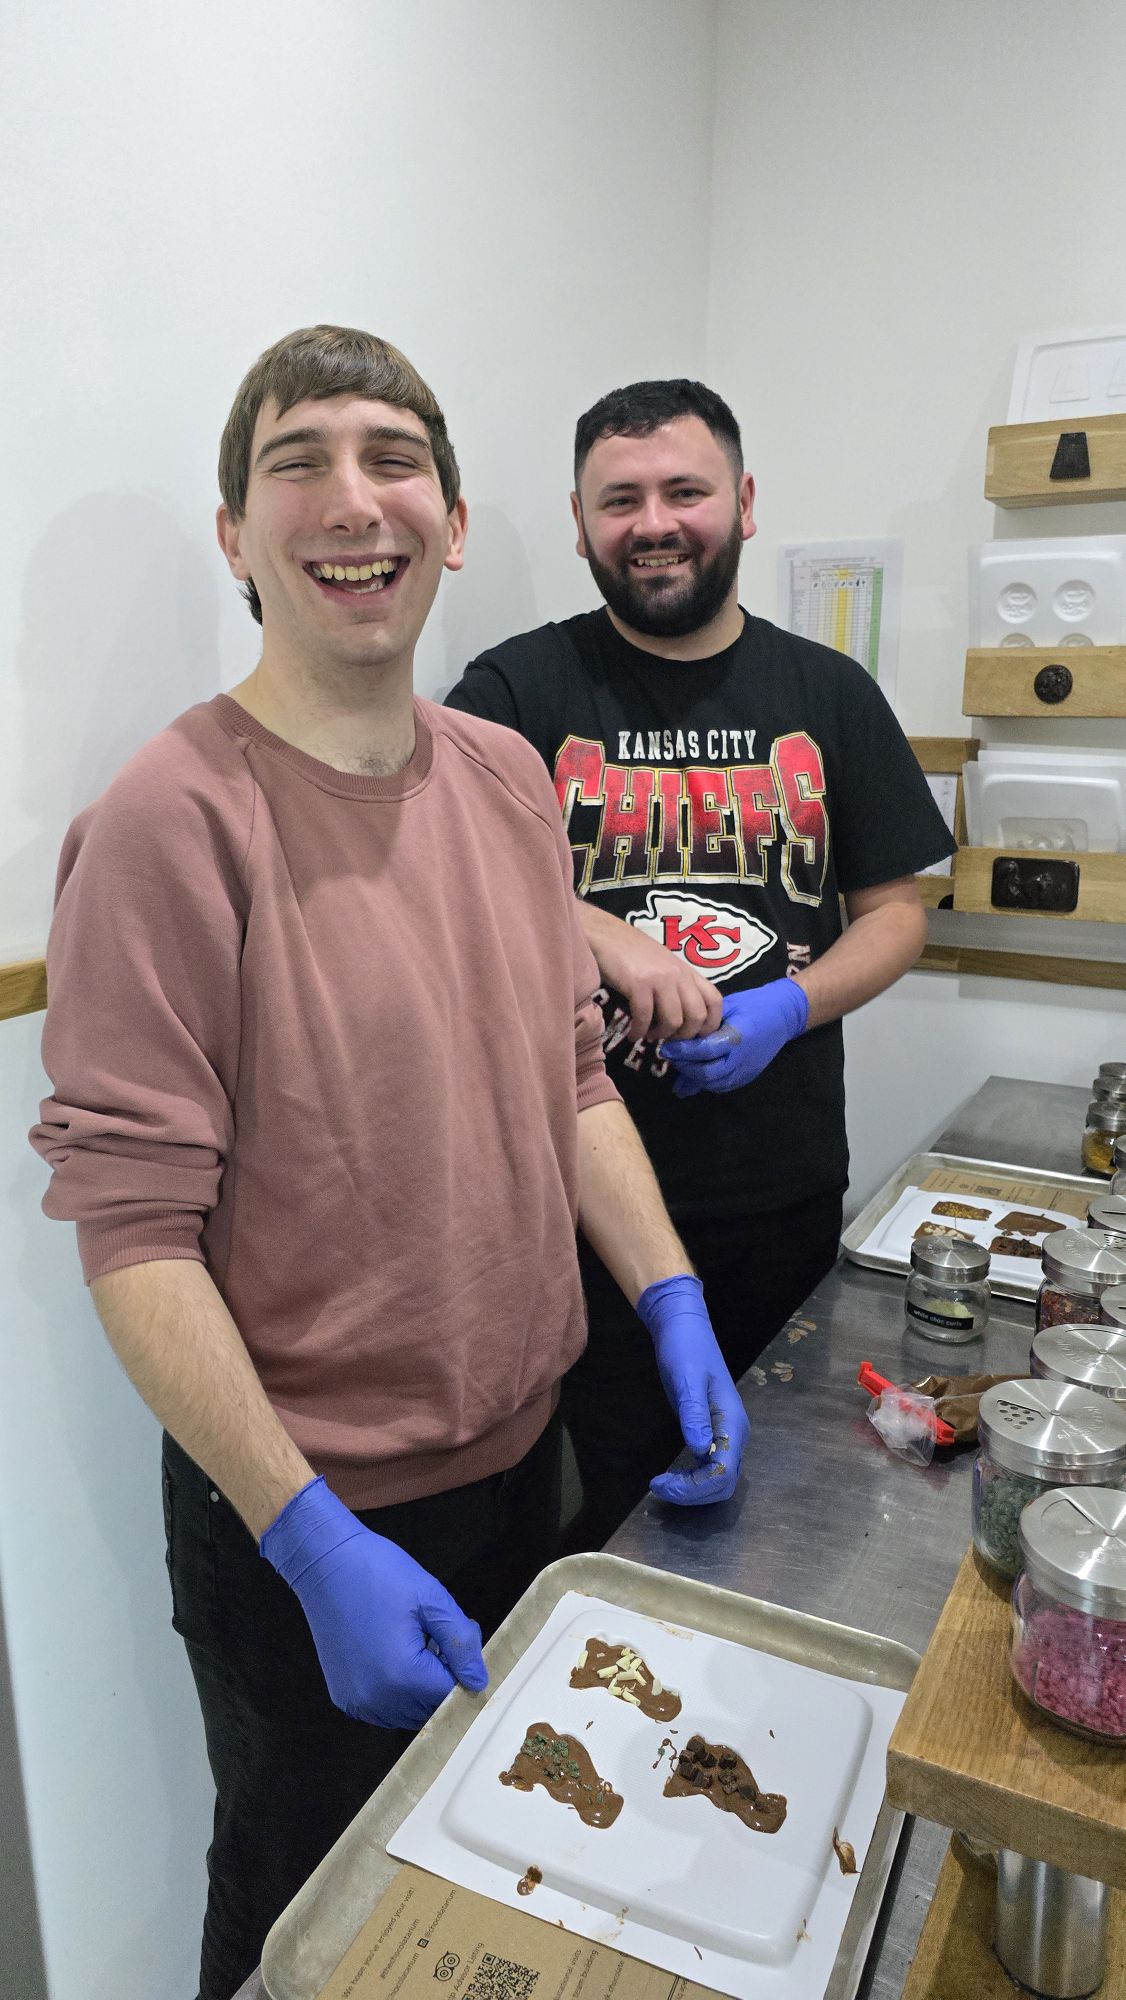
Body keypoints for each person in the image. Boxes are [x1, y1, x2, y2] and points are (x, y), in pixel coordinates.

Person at [29, 332, 750, 2000]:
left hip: (522, 1468)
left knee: (486, 1878)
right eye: (298, 462)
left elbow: (571, 1080)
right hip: (308, 1523)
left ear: (456, 517)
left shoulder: (505, 780)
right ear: (238, 536)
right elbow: (134, 1237)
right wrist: (305, 1536)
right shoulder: (169, 825)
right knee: (301, 1922)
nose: (353, 501)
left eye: (391, 457)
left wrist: (669, 1296)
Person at [445, 377, 955, 1551]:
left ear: (744, 502)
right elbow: (450, 878)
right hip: (570, 1196)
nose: (654, 521)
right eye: (618, 499)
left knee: (788, 1501)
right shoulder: (512, 692)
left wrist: (790, 1004)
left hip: (775, 1187)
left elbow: (894, 914)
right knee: (621, 1499)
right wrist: (597, 928)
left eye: (685, 489)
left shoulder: (826, 691)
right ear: (578, 523)